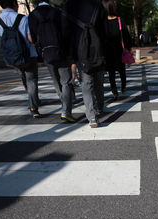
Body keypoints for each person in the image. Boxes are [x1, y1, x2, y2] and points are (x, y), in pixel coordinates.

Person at [28, 0, 76, 123]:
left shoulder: (33, 16)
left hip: (46, 54)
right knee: (66, 82)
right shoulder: (57, 12)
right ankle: (66, 111)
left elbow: (33, 38)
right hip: (61, 52)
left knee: (56, 81)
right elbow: (66, 33)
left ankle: (63, 103)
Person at [62, 0, 107, 128]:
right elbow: (105, 31)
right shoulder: (98, 5)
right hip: (97, 50)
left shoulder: (67, 6)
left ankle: (92, 117)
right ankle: (100, 106)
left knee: (86, 83)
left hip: (79, 50)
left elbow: (65, 33)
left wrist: (70, 57)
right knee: (99, 80)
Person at [0, 0, 41, 118]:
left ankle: (33, 100)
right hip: (28, 54)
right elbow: (30, 38)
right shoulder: (22, 18)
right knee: (32, 81)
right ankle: (33, 107)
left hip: (12, 55)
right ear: (15, 4)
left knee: (24, 78)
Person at [102, 0, 132, 100]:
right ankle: (123, 86)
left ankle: (114, 91)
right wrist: (128, 48)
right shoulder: (120, 20)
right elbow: (126, 36)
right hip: (119, 50)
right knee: (122, 70)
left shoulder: (103, 22)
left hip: (107, 51)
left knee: (111, 73)